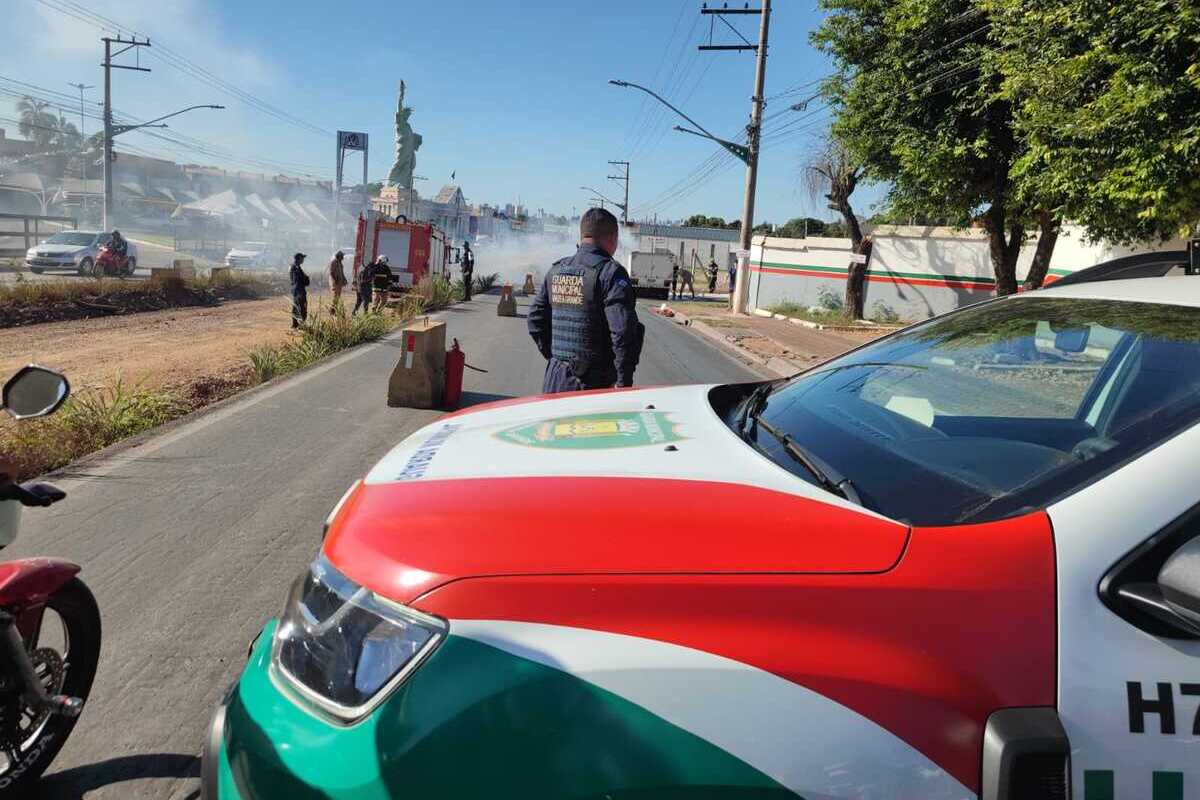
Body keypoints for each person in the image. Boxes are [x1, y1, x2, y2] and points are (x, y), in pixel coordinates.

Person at [528, 207, 644, 393]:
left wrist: (558, 356)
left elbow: (535, 320)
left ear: (582, 236)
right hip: (593, 386)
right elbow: (622, 332)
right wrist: (623, 383)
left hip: (556, 380)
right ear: (613, 237)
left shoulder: (556, 270)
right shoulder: (611, 273)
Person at [289, 252, 310, 329]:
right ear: (298, 259)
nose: (303, 259)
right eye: (302, 258)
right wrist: (306, 278)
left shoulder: (294, 267)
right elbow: (299, 280)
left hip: (296, 291)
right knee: (302, 308)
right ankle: (300, 325)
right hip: (299, 291)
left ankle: (295, 325)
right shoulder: (296, 268)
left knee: (296, 307)